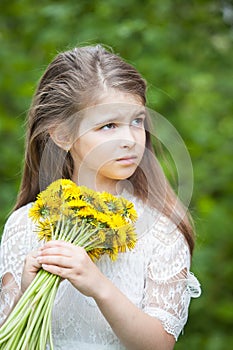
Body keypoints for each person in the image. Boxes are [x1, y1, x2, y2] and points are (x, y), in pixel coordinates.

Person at [0, 44, 201, 350]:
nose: (130, 140)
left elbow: (159, 345)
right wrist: (27, 293)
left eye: (136, 121)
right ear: (63, 135)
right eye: (108, 126)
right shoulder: (24, 225)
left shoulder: (161, 229)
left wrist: (98, 286)